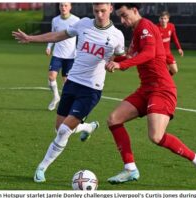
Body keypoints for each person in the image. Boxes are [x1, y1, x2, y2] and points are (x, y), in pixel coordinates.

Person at [12, 3, 125, 183]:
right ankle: (87, 127)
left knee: (64, 131)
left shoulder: (117, 36)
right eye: (96, 11)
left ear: (111, 9)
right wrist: (31, 38)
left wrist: (114, 63)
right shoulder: (84, 24)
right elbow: (58, 35)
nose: (100, 14)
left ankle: (42, 167)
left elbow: (120, 55)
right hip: (72, 83)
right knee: (59, 128)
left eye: (103, 10)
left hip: (91, 89)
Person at [105, 3, 196, 185]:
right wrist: (112, 59)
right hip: (146, 89)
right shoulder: (137, 31)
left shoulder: (145, 26)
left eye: (124, 15)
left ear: (135, 11)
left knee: (156, 136)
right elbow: (132, 56)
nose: (123, 21)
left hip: (162, 89)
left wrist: (121, 65)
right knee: (113, 119)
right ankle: (130, 169)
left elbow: (148, 54)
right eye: (120, 17)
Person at [46, 3, 80, 111]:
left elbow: (81, 36)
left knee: (67, 82)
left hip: (70, 56)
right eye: (61, 5)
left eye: (65, 5)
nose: (63, 7)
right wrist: (49, 47)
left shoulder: (76, 20)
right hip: (57, 54)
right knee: (51, 77)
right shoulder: (55, 20)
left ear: (70, 7)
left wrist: (80, 51)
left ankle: (66, 104)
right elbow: (53, 34)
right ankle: (56, 96)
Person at [156, 11, 183, 76]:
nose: (163, 20)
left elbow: (175, 38)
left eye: (165, 18)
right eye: (161, 18)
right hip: (159, 54)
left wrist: (179, 48)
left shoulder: (171, 26)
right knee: (161, 71)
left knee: (175, 70)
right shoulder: (155, 28)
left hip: (168, 53)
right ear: (159, 19)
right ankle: (163, 82)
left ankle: (165, 80)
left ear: (168, 19)